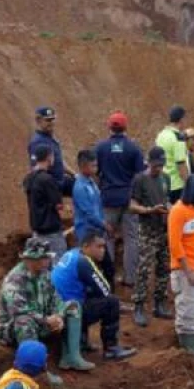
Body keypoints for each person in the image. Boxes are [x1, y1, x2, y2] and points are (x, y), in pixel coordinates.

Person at [52, 232, 137, 368]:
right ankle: (111, 349)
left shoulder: (71, 254)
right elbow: (105, 290)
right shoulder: (83, 262)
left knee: (86, 295)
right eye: (99, 246)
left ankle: (82, 342)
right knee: (112, 302)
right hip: (69, 312)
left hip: (58, 308)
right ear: (86, 246)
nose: (103, 250)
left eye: (104, 247)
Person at [0, 237, 71, 384]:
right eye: (44, 258)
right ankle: (37, 371)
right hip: (12, 328)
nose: (47, 261)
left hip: (41, 322)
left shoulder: (44, 275)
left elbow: (56, 298)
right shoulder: (14, 280)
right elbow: (19, 311)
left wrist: (59, 316)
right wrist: (47, 320)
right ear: (30, 259)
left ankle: (71, 356)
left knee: (73, 307)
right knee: (24, 321)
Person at [94, 111, 144, 289]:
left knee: (107, 238)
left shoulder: (100, 147)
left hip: (108, 198)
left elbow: (95, 172)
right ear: (125, 127)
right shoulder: (133, 148)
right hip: (129, 199)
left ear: (109, 127)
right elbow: (140, 175)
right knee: (131, 238)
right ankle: (130, 278)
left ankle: (107, 276)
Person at [129, 146, 172, 327]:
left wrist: (168, 209)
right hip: (147, 230)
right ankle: (138, 305)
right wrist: (149, 210)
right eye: (156, 165)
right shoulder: (140, 179)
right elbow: (132, 205)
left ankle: (159, 303)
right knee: (144, 269)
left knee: (164, 266)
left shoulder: (165, 178)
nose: (158, 169)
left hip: (163, 229)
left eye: (161, 165)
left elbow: (167, 198)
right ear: (149, 162)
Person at [168, 173, 194, 358]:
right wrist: (188, 270)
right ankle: (189, 352)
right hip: (187, 270)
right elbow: (175, 244)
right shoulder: (179, 211)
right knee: (187, 310)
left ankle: (192, 350)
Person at [24, 146, 67, 261]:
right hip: (51, 231)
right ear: (49, 157)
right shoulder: (47, 179)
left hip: (37, 231)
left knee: (41, 264)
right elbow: (58, 205)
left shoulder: (29, 178)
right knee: (59, 264)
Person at [28, 106, 73, 196]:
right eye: (48, 120)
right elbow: (36, 168)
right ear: (38, 120)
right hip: (49, 187)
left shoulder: (51, 138)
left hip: (60, 182)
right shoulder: (37, 142)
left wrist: (74, 174)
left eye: (52, 119)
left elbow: (59, 161)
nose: (51, 123)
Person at [155, 106, 191, 203]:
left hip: (163, 184)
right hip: (177, 186)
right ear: (182, 119)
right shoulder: (178, 137)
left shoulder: (161, 135)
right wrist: (189, 184)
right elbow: (181, 164)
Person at [71, 150, 105, 246]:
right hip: (86, 232)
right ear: (83, 166)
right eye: (93, 166)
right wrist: (104, 224)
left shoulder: (91, 182)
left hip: (96, 229)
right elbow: (88, 213)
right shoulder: (80, 187)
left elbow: (98, 205)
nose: (96, 169)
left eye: (96, 165)